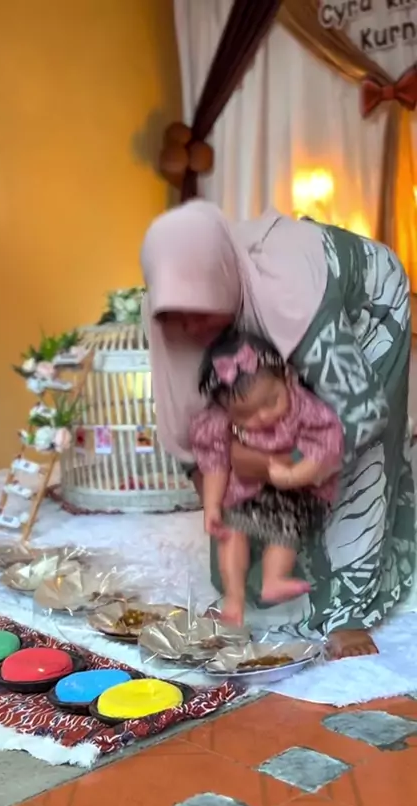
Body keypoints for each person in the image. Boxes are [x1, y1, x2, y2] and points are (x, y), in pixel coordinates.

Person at [141, 200, 416, 660]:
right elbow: (195, 435)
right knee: (247, 469)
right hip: (275, 327)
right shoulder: (166, 310)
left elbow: (361, 412)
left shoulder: (290, 288)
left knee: (349, 453)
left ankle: (346, 611)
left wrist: (285, 469)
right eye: (176, 314)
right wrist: (225, 493)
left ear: (221, 280)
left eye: (198, 309)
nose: (188, 326)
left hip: (366, 309)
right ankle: (252, 598)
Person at [189, 326, 343, 625]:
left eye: (271, 402)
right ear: (224, 408)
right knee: (230, 531)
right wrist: (212, 505)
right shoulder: (218, 419)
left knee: (285, 525)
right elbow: (215, 463)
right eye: (244, 415)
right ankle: (233, 599)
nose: (262, 417)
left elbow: (326, 446)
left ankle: (274, 578)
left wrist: (295, 475)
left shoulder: (304, 407)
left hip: (296, 490)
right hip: (246, 489)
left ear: (287, 377)